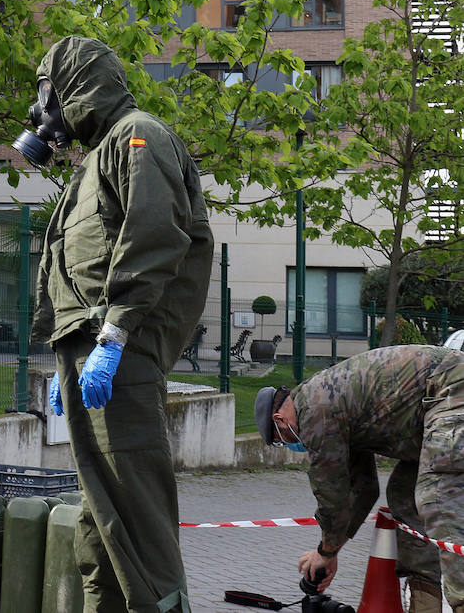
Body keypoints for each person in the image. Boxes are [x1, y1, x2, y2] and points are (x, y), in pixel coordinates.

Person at [26, 35, 213, 613]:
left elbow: (153, 237)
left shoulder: (139, 137)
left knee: (136, 519)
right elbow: (80, 262)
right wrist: (69, 353)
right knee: (100, 524)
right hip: (93, 353)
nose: (42, 112)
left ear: (78, 86)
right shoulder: (98, 157)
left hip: (120, 354)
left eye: (46, 94)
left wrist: (112, 336)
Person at [257, 344, 464, 613]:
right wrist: (331, 551)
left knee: (436, 496)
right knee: (404, 494)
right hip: (431, 405)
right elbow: (362, 489)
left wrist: (326, 552)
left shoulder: (314, 411)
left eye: (281, 441)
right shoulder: (332, 409)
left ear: (279, 420)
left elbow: (331, 494)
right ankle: (425, 606)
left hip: (450, 387)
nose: (292, 445)